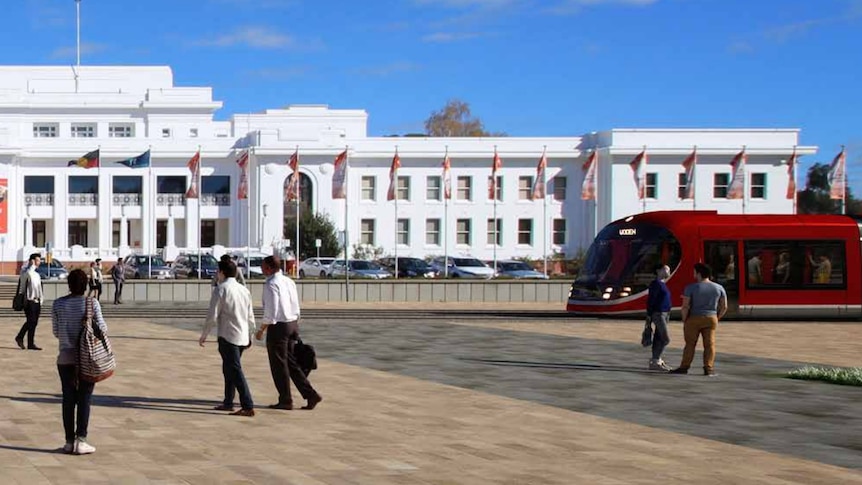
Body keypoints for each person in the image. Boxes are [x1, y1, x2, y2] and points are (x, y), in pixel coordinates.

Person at [255, 255, 322, 410]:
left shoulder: (271, 283)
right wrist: (295, 323)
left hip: (278, 327)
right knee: (291, 364)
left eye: (263, 266)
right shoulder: (288, 281)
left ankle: (285, 399)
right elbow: (295, 304)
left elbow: (271, 310)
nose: (261, 269)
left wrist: (262, 329)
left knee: (279, 365)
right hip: (292, 324)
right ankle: (310, 394)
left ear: (270, 268)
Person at [52, 269, 107, 454]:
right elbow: (103, 330)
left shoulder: (58, 304)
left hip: (65, 357)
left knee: (68, 399)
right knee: (84, 398)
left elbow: (56, 332)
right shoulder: (93, 304)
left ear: (69, 285)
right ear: (86, 286)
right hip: (88, 358)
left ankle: (68, 441)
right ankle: (81, 440)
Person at [200, 259, 256, 417]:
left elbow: (212, 315)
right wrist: (250, 334)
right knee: (229, 368)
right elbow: (250, 316)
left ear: (222, 272)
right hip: (242, 335)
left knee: (234, 370)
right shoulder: (244, 290)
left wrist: (204, 334)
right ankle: (228, 401)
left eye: (218, 271)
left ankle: (247, 404)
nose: (217, 275)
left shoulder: (221, 289)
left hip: (228, 335)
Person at [670, 263, 728, 376]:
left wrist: (684, 319)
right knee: (710, 344)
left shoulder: (691, 287)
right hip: (711, 318)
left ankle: (684, 367)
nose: (693, 274)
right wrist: (717, 317)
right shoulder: (719, 288)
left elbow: (685, 306)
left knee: (690, 344)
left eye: (694, 272)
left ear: (699, 273)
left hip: (694, 318)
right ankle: (708, 368)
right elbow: (724, 306)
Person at [15, 253, 44, 351]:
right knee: (30, 321)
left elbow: (39, 289)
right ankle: (19, 337)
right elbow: (22, 288)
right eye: (37, 260)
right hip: (29, 301)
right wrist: (31, 266)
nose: (39, 262)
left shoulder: (37, 275)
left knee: (34, 322)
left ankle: (30, 343)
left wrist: (41, 300)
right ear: (32, 261)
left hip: (37, 301)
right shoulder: (26, 273)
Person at [646, 265, 672, 371]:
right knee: (665, 338)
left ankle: (656, 361)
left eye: (669, 270)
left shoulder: (663, 284)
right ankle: (656, 360)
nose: (668, 271)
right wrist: (649, 315)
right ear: (658, 270)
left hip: (665, 314)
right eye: (666, 269)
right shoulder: (655, 284)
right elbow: (651, 300)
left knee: (659, 337)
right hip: (658, 314)